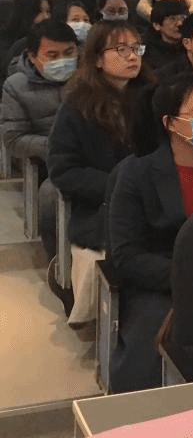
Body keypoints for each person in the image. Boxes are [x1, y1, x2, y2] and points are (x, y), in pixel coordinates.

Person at [108, 71, 193, 391]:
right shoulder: (136, 173)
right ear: (170, 123)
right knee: (151, 350)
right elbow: (127, 255)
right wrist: (187, 277)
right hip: (161, 284)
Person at [47, 21, 153, 326]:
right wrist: (120, 186)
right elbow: (64, 170)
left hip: (151, 197)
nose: (132, 56)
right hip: (102, 204)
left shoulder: (152, 99)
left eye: (136, 48)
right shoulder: (77, 107)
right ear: (96, 59)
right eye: (121, 49)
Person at [1, 19, 78, 261]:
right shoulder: (16, 86)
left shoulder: (89, 78)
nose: (62, 61)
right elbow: (13, 138)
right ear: (33, 57)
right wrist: (55, 148)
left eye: (69, 53)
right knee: (50, 196)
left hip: (96, 155)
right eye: (52, 55)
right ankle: (59, 263)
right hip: (52, 162)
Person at [0, 0, 51, 74]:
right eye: (39, 11)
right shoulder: (5, 40)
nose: (46, 16)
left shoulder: (49, 38)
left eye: (48, 11)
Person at [143, 0, 188, 72]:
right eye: (172, 19)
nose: (180, 23)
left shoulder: (191, 45)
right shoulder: (146, 52)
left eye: (183, 18)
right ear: (157, 25)